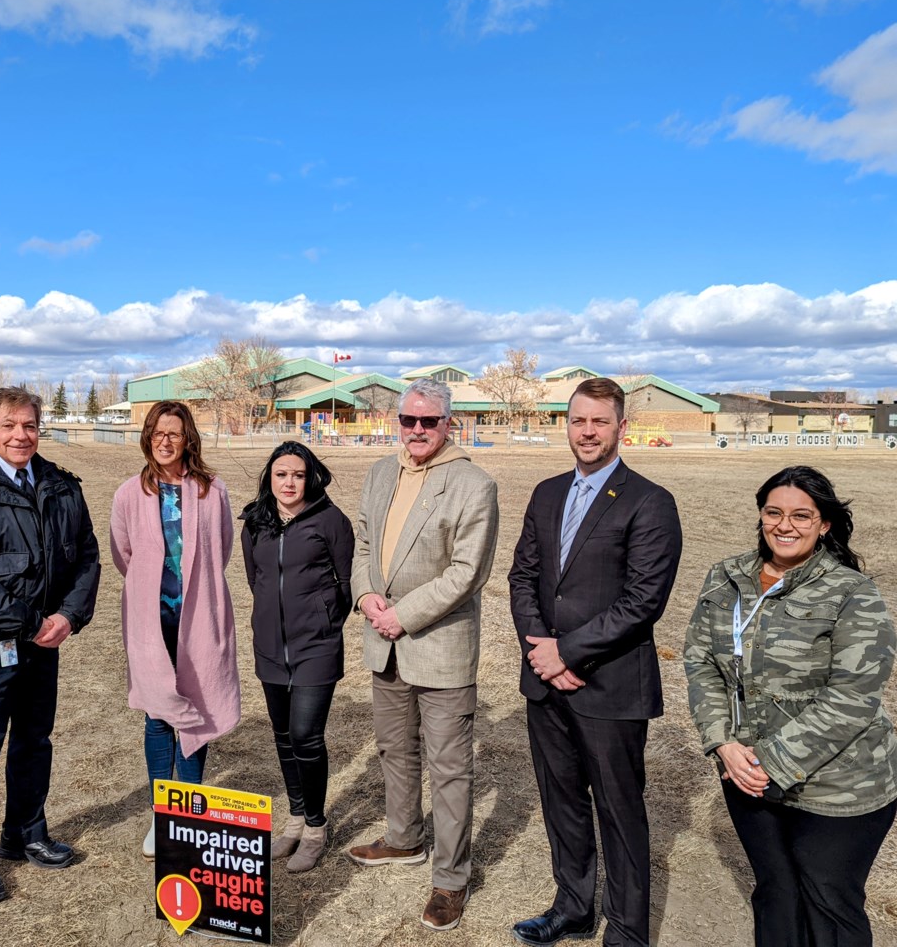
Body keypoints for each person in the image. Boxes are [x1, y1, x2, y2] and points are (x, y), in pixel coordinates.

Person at [684, 465, 897, 947]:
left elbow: (853, 698)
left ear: (824, 524)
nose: (785, 525)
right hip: (746, 776)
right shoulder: (726, 578)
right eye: (773, 512)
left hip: (839, 787)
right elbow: (700, 662)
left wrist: (769, 762)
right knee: (775, 893)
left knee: (828, 902)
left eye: (802, 515)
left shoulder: (852, 593)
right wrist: (723, 743)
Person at [508, 377, 682, 947]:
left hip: (609, 687)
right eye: (578, 420)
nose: (587, 431)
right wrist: (542, 653)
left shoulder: (650, 502)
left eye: (599, 422)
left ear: (621, 428)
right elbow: (524, 578)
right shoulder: (546, 492)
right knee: (561, 802)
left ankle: (628, 929)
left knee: (619, 811)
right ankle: (574, 907)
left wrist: (568, 651)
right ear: (567, 424)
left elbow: (642, 602)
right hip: (547, 682)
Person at [345, 377, 499, 932]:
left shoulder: (473, 485)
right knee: (394, 750)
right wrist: (364, 594)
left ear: (447, 424)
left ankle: (450, 879)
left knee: (450, 769)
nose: (415, 430)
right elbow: (363, 541)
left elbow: (467, 573)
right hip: (383, 647)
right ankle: (404, 838)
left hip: (437, 648)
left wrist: (401, 615)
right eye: (407, 420)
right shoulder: (381, 471)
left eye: (427, 421)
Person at [0, 387, 100, 904]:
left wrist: (68, 617)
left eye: (29, 425)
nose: (20, 435)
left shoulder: (61, 487)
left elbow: (87, 559)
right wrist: (29, 621)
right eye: (8, 425)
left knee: (35, 740)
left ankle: (24, 833)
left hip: (45, 641)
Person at [110, 401, 240, 860]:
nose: (165, 442)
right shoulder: (129, 493)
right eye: (157, 433)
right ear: (147, 438)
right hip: (151, 620)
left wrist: (193, 594)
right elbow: (123, 553)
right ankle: (161, 814)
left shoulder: (212, 490)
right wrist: (155, 590)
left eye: (175, 434)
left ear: (189, 440)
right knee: (158, 715)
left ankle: (189, 813)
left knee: (196, 711)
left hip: (199, 618)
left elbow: (220, 551)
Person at [240, 441, 354, 872]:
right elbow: (257, 580)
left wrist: (322, 622)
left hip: (316, 648)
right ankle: (293, 819)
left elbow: (345, 584)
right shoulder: (255, 522)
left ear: (311, 478)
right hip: (270, 648)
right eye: (281, 474)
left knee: (306, 734)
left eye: (298, 475)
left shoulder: (331, 521)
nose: (290, 483)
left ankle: (315, 827)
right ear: (270, 477)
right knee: (283, 735)